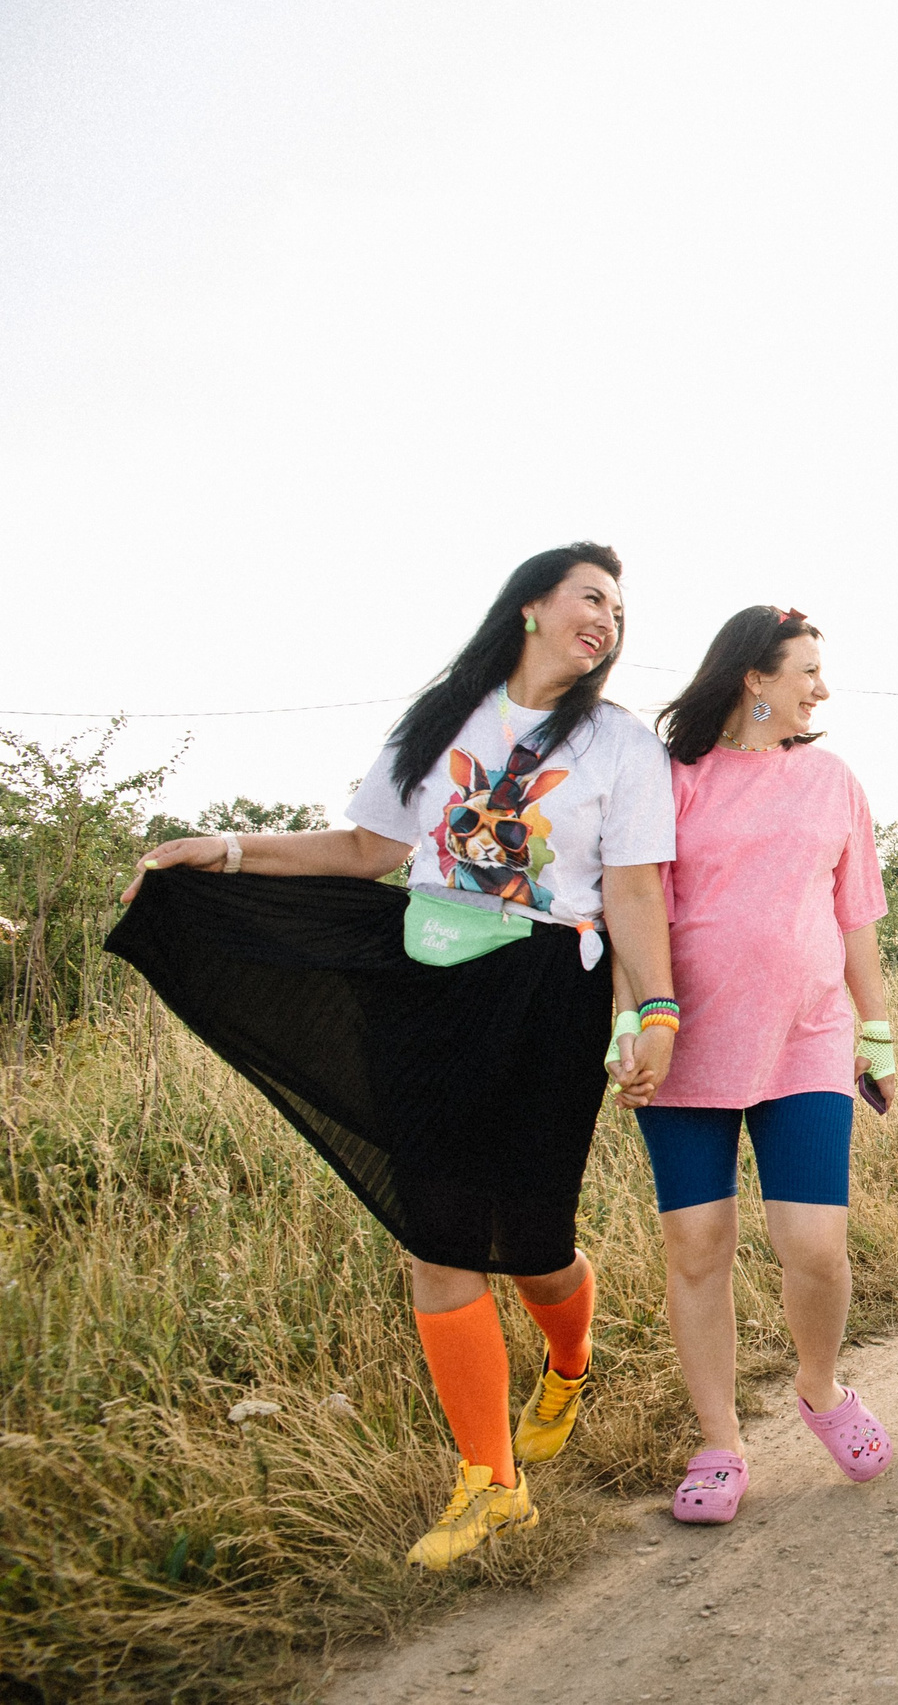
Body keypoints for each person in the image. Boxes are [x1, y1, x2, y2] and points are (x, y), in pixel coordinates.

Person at [108, 543, 676, 1567]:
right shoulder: (441, 720)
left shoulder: (620, 746)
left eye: (619, 607)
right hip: (425, 974)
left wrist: (659, 1010)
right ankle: (491, 1482)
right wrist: (224, 849)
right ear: (532, 608)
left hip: (548, 992)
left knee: (533, 1234)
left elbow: (634, 890)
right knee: (435, 1234)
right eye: (590, 597)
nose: (608, 618)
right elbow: (365, 849)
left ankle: (570, 1358)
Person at [634, 606, 898, 1522]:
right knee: (697, 1246)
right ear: (754, 677)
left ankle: (820, 1389)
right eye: (806, 671)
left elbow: (858, 912)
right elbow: (634, 909)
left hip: (807, 1038)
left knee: (815, 1249)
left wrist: (878, 1032)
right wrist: (631, 1020)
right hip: (685, 1044)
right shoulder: (668, 779)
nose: (820, 689)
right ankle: (720, 1441)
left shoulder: (831, 779)